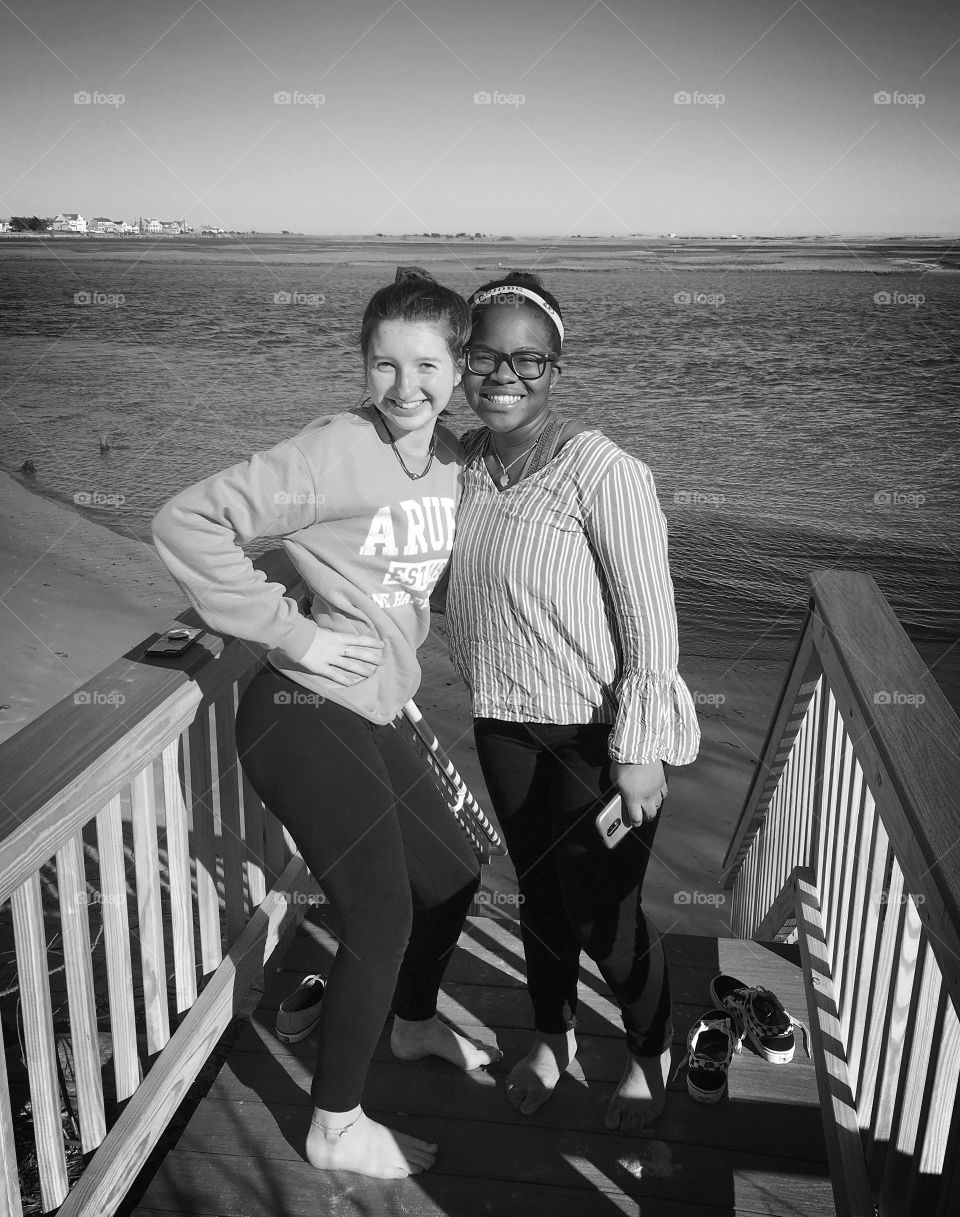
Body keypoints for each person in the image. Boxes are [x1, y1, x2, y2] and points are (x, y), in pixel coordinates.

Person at [151, 269, 498, 1181]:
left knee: (452, 873)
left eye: (426, 364)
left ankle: (414, 1020)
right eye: (383, 364)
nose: (404, 385)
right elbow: (187, 521)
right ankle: (334, 1123)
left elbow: (416, 575)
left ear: (458, 367)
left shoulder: (454, 458)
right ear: (363, 365)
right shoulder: (333, 451)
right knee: (378, 914)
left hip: (375, 705)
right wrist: (293, 632)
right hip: (300, 711)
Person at [444, 271, 700, 1133]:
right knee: (537, 897)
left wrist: (640, 750)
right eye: (484, 355)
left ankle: (648, 1049)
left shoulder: (606, 472)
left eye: (529, 359)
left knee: (607, 914)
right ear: (461, 360)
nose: (504, 375)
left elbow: (650, 625)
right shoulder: (464, 462)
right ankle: (553, 1039)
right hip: (501, 719)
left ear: (557, 367)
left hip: (595, 736)